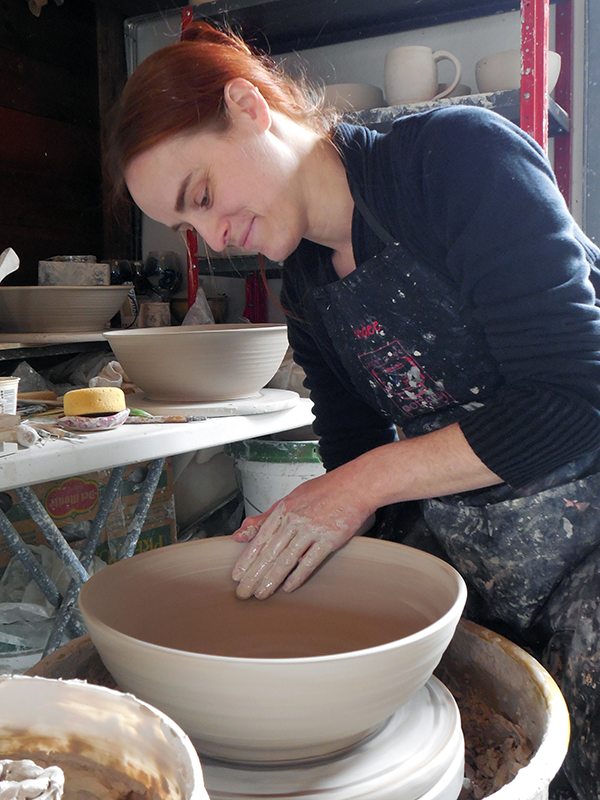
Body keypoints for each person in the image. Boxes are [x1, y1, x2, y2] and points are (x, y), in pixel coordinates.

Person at [108, 20, 600, 798]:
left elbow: (575, 397)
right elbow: (353, 448)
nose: (214, 234)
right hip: (477, 547)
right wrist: (305, 531)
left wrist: (357, 488)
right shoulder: (308, 284)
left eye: (201, 195)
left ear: (248, 106)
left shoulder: (453, 161)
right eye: (186, 227)